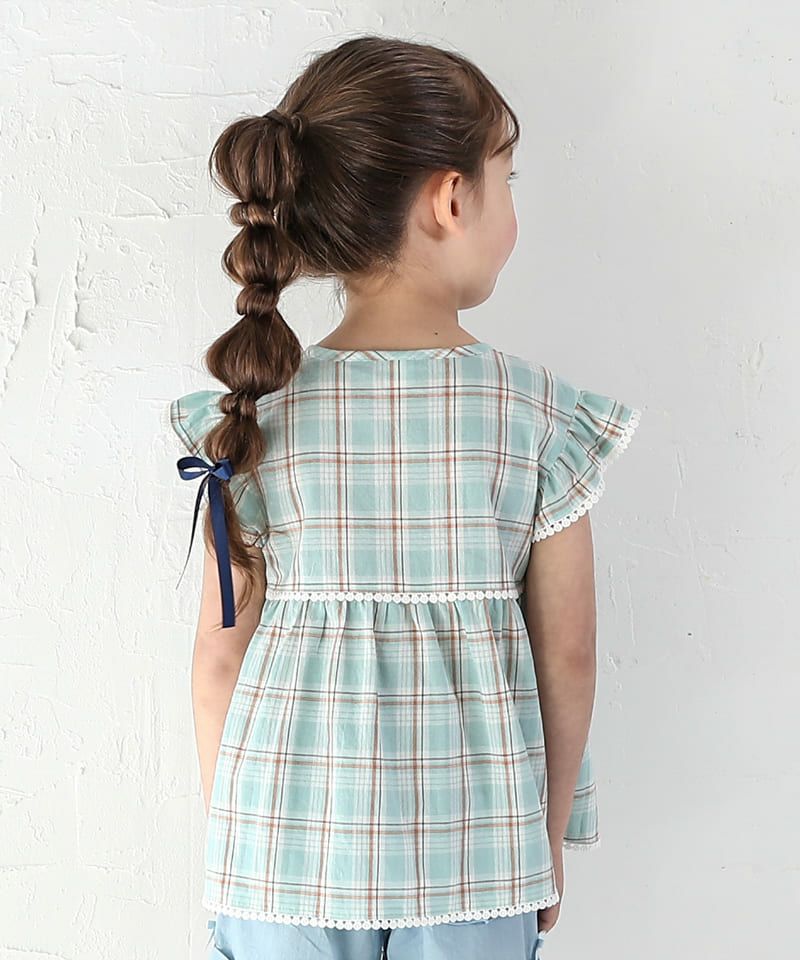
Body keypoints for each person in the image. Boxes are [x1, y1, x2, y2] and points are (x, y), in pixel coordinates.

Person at [167, 34, 642, 960]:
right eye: (508, 179)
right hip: (479, 855)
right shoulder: (540, 417)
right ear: (451, 198)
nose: (512, 206)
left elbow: (220, 657)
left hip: (282, 859)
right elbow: (570, 654)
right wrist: (544, 838)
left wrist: (240, 839)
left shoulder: (250, 418)